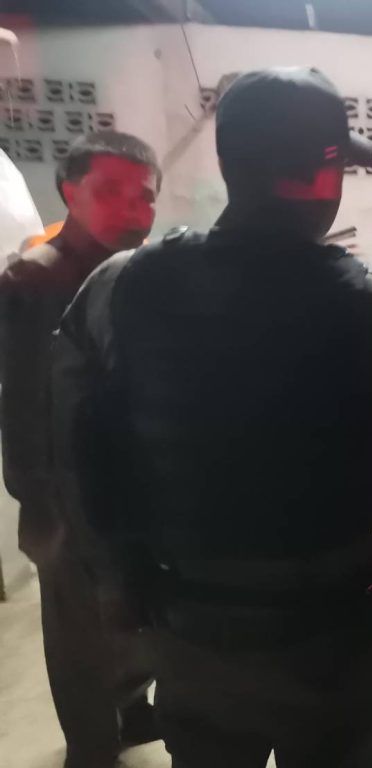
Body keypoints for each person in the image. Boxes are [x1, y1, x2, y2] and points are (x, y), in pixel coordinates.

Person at [50, 67, 372, 768]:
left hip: (188, 627)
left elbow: (76, 445)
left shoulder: (121, 285)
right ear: (324, 177)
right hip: (334, 634)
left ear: (228, 164)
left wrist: (117, 588)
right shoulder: (365, 304)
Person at [0, 131, 161, 768]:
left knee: (136, 611)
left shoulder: (134, 274)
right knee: (78, 632)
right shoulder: (34, 279)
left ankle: (132, 708)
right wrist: (40, 501)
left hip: (128, 480)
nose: (132, 209)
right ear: (70, 192)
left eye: (144, 196)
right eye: (110, 191)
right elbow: (21, 403)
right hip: (61, 492)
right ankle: (91, 745)